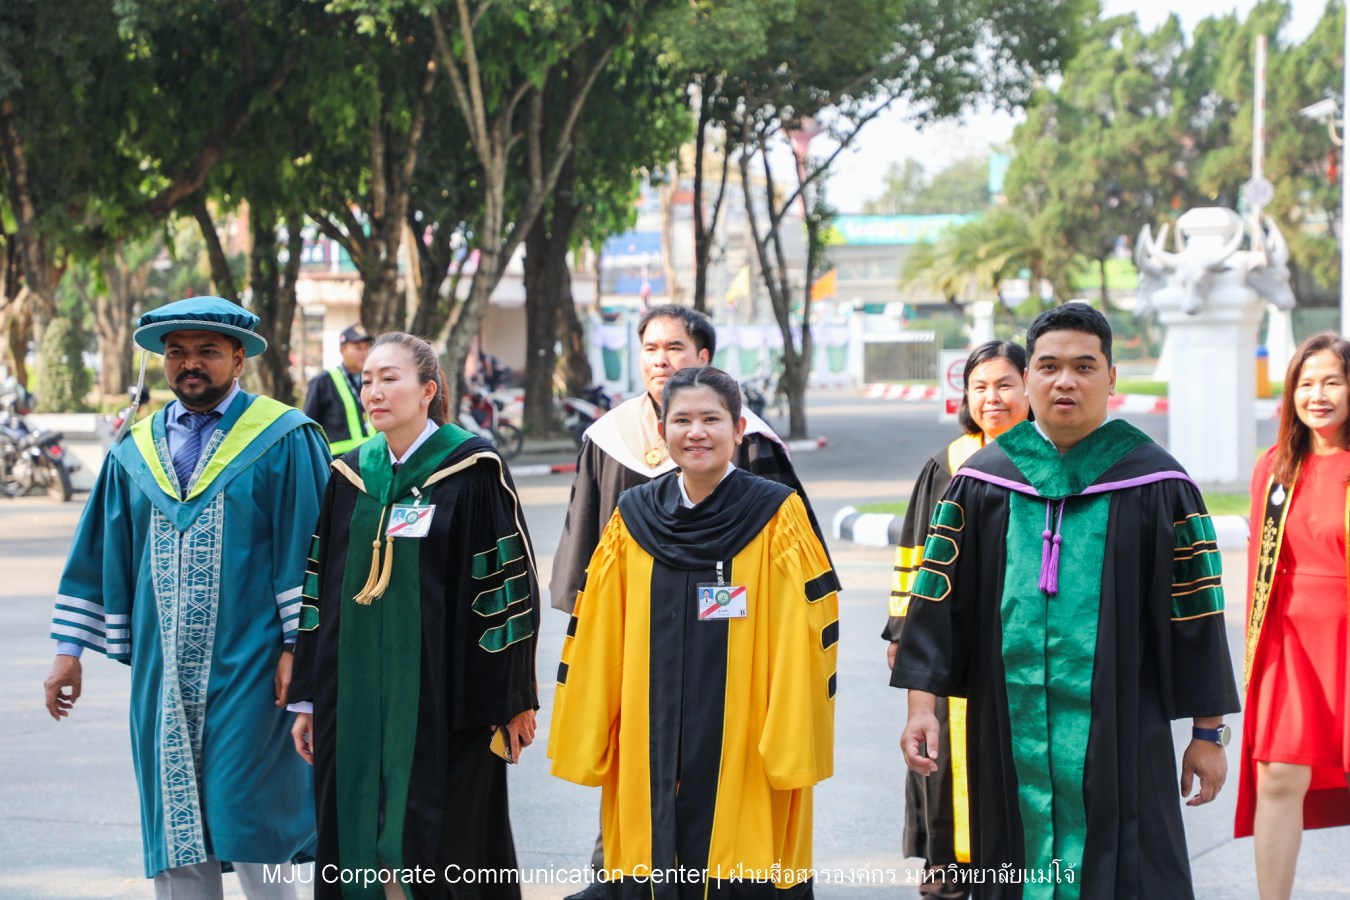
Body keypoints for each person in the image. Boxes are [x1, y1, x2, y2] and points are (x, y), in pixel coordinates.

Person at [893, 303, 1240, 897]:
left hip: (1125, 727)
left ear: (1111, 377)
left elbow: (1197, 617)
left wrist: (1207, 736)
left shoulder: (1159, 484)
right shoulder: (983, 481)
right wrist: (920, 708)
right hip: (1006, 728)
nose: (1065, 381)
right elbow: (934, 609)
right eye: (1049, 366)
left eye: (1084, 366)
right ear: (1029, 378)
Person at [43, 296, 330, 896]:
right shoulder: (134, 447)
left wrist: (297, 649)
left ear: (239, 360)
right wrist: (69, 649)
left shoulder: (282, 437)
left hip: (251, 664)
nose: (189, 364)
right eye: (176, 353)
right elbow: (99, 549)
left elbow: (313, 545)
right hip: (162, 672)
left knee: (255, 820)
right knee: (175, 826)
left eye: (206, 351)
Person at [550, 366, 839, 900]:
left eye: (712, 418)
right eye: (681, 419)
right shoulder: (633, 517)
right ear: (662, 432)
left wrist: (789, 732)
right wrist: (596, 723)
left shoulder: (775, 514)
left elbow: (806, 636)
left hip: (745, 732)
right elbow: (598, 634)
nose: (696, 432)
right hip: (648, 728)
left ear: (739, 429)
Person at [287, 331, 539, 899]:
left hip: (443, 702)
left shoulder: (471, 469)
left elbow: (506, 586)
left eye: (389, 378)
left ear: (428, 390)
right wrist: (307, 697)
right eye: (367, 380)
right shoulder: (349, 474)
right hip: (349, 700)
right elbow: (317, 589)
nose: (373, 391)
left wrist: (511, 697)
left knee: (440, 847)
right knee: (354, 836)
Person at [551, 304, 821, 616]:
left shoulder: (747, 436)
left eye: (674, 347)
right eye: (650, 348)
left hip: (727, 612)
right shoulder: (608, 436)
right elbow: (585, 536)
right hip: (628, 611)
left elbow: (783, 543)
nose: (659, 360)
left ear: (703, 357)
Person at [883, 340, 1031, 898]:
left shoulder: (1052, 461)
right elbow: (916, 558)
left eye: (1004, 384)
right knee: (946, 761)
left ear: (1028, 387)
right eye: (980, 387)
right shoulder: (946, 466)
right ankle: (945, 872)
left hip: (1019, 644)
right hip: (952, 643)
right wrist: (903, 632)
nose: (992, 397)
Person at [1235, 333, 1350, 899]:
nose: (1318, 394)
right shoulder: (1275, 469)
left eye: (1332, 380)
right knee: (1278, 775)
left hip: (1347, 636)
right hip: (1290, 640)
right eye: (1306, 383)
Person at [305, 323, 376, 455]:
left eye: (366, 347)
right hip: (338, 464)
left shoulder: (373, 381)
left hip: (372, 460)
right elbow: (310, 428)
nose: (363, 353)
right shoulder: (323, 382)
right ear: (342, 350)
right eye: (357, 347)